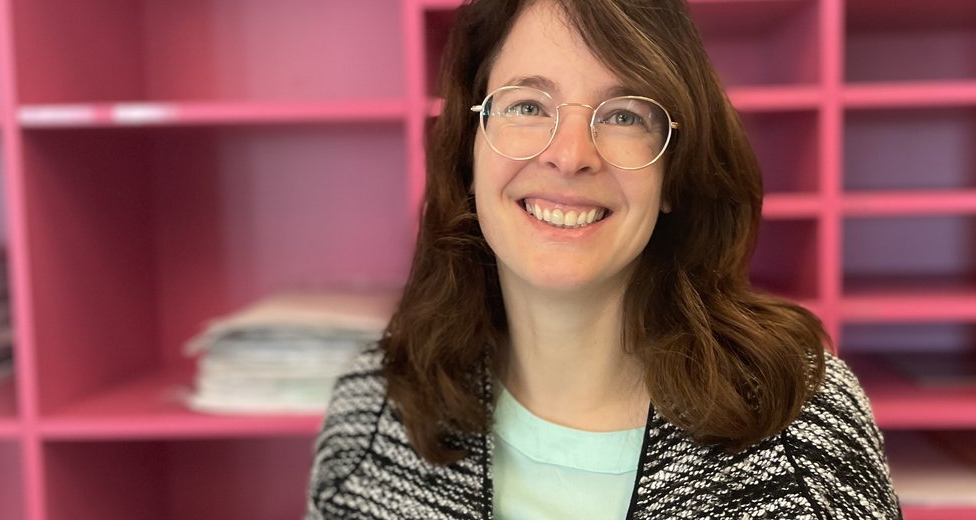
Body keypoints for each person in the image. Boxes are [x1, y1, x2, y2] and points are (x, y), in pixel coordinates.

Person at [308, 0, 900, 518]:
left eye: (623, 116)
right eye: (527, 106)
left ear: (674, 174)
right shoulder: (374, 408)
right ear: (471, 150)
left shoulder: (802, 432)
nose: (570, 156)